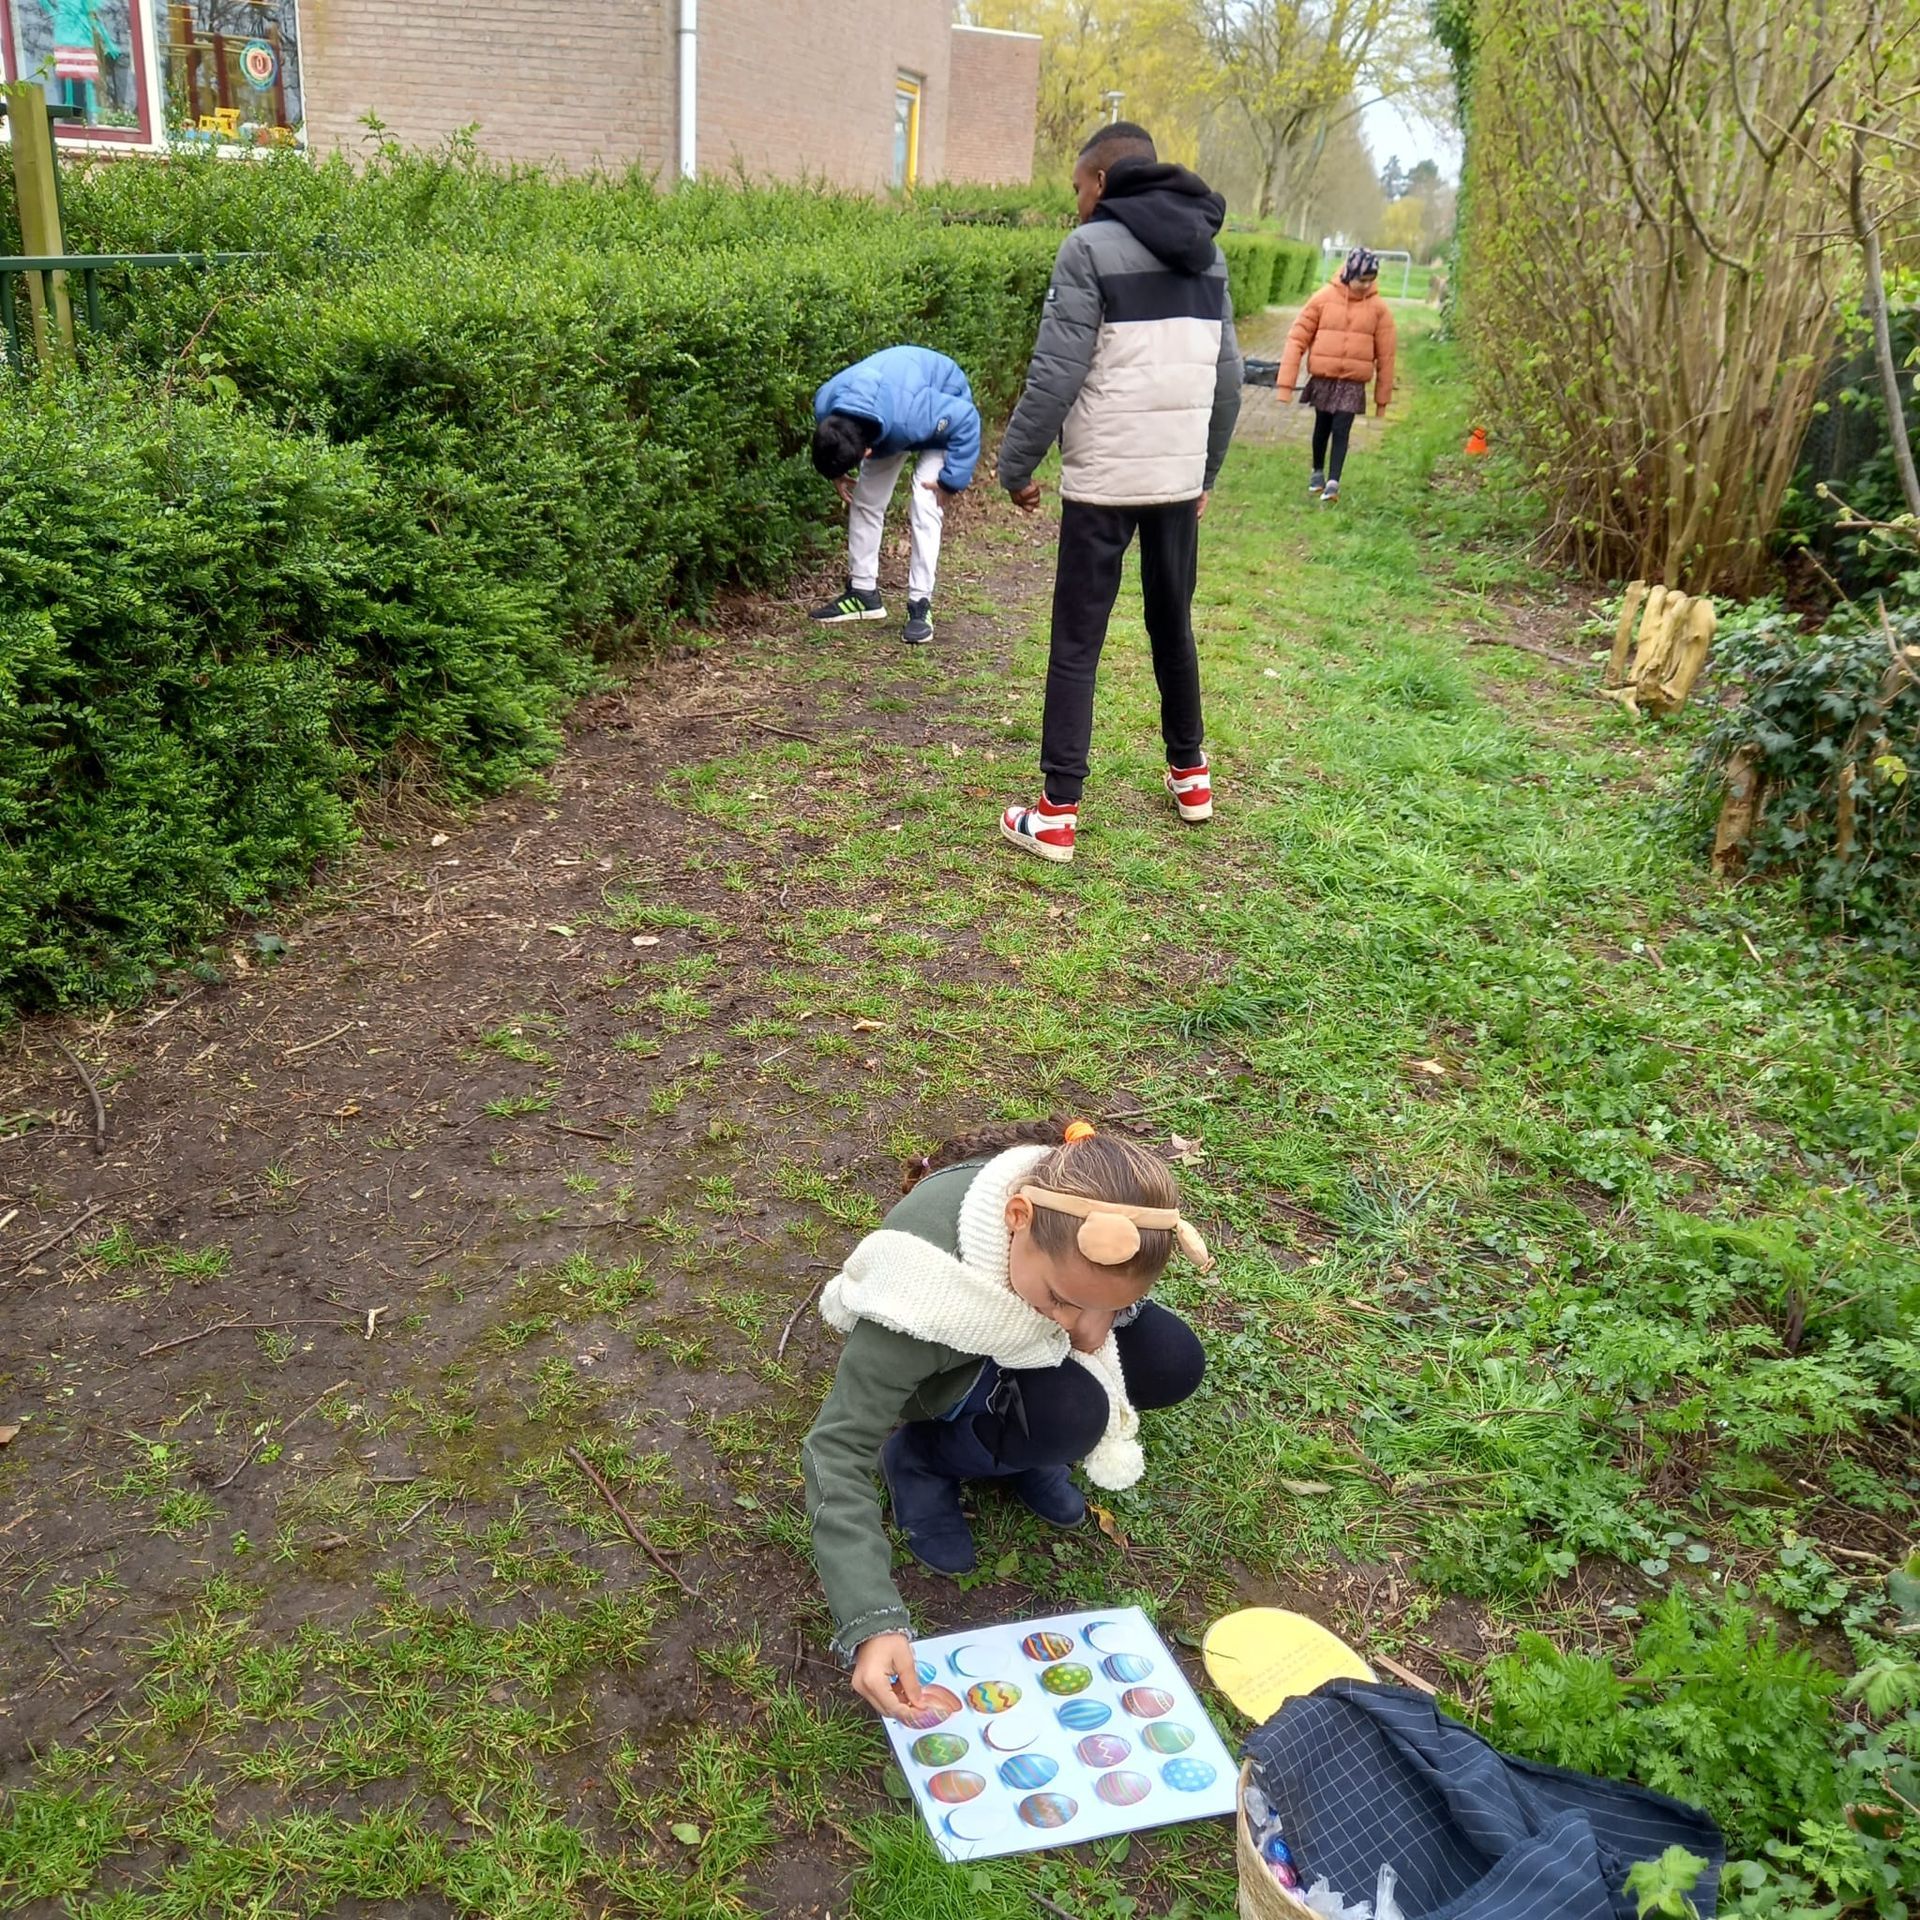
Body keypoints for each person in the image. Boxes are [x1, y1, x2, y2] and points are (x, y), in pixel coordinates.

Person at [801, 1119, 1212, 1719]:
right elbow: (834, 1448)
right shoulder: (918, 1289)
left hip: (1012, 1331)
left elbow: (1090, 1313)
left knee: (1171, 1360)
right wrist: (870, 1619)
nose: (1087, 1334)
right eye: (1061, 1302)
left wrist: (1086, 1308)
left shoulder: (1080, 1202)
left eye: (1113, 1308)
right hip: (949, 1364)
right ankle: (923, 1458)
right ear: (1016, 1219)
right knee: (1072, 1412)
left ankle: (1019, 1448)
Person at [996, 123, 1244, 864]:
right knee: (1173, 625)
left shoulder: (1087, 249)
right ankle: (1191, 775)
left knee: (1077, 643)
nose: (1075, 202)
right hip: (1173, 481)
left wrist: (1015, 466)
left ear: (1101, 181)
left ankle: (1057, 814)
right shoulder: (1211, 252)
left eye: (1076, 187)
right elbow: (1228, 380)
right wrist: (1206, 473)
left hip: (1104, 482)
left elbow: (1056, 371)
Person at [809, 346, 981, 646]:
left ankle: (920, 605)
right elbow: (831, 442)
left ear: (867, 452)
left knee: (925, 499)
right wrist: (835, 472)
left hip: (944, 404)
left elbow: (966, 419)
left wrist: (951, 482)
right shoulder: (827, 403)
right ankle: (864, 595)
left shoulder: (915, 415)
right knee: (865, 498)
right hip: (889, 410)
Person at [1276, 247, 1397, 508]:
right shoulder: (1322, 299)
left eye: (1370, 280)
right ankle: (1317, 470)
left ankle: (1333, 483)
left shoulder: (1379, 310)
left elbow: (1387, 355)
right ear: (1348, 274)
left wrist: (1382, 399)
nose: (1366, 285)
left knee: (1342, 429)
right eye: (1361, 279)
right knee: (1322, 426)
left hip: (1353, 381)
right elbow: (1297, 337)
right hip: (1325, 377)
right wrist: (1285, 384)